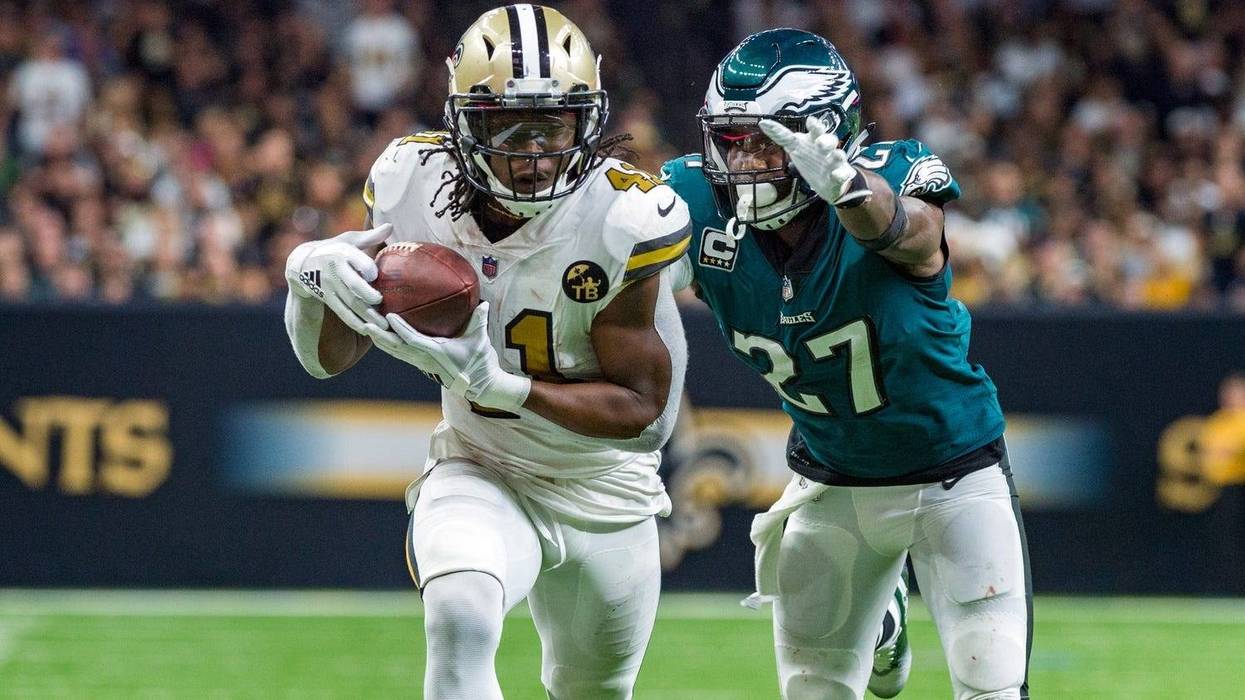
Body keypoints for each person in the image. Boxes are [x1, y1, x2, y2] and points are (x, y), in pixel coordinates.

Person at [282, 5, 690, 699]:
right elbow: (326, 361)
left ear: (587, 123)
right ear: (464, 122)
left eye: (552, 126)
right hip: (483, 466)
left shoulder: (622, 218)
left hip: (605, 488)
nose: (532, 155)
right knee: (460, 615)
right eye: (508, 126)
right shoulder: (411, 181)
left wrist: (506, 388)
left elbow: (644, 412)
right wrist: (308, 282)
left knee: (594, 689)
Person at [661, 29, 1032, 700]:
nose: (744, 164)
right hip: (833, 483)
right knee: (815, 689)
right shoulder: (693, 202)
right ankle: (882, 619)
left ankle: (885, 614)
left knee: (992, 684)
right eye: (732, 140)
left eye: (766, 142)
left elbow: (917, 239)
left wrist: (847, 189)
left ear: (823, 133)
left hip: (954, 473)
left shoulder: (891, 174)